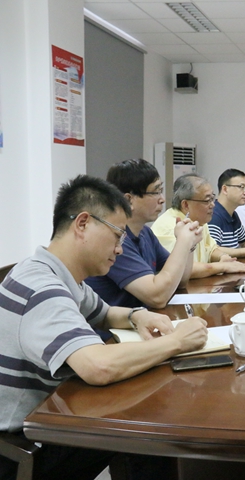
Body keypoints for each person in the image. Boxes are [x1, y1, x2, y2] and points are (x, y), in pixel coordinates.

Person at [0, 175, 208, 480]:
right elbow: (98, 367)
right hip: (21, 449)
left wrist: (137, 316)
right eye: (117, 235)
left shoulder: (58, 274)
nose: (120, 249)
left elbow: (105, 312)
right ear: (82, 224)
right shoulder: (42, 288)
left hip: (49, 414)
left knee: (143, 410)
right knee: (147, 429)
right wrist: (177, 341)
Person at [86, 159, 202, 308]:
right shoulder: (114, 240)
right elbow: (157, 297)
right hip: (115, 323)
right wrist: (183, 242)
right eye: (156, 192)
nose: (162, 199)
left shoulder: (145, 233)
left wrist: (189, 245)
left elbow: (181, 281)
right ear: (128, 200)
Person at [151, 174, 245, 278]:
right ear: (186, 204)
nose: (212, 204)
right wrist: (223, 267)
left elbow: (211, 249)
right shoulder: (171, 226)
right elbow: (181, 269)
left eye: (212, 198)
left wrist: (222, 257)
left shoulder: (199, 221)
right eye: (207, 200)